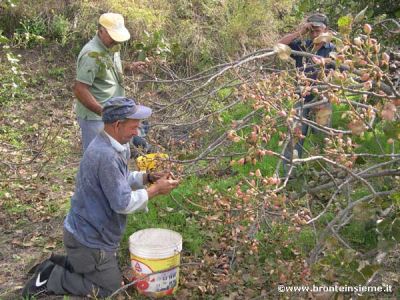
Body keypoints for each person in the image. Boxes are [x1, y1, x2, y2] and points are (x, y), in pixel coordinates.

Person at [22, 97, 180, 299]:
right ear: (116, 125)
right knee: (110, 290)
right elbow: (123, 203)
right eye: (133, 127)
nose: (137, 132)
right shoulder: (106, 156)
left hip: (85, 235)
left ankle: (64, 263)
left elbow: (119, 180)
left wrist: (147, 177)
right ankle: (51, 276)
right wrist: (156, 189)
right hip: (89, 240)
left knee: (98, 272)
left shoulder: (112, 145)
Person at [74, 12, 147, 151]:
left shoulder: (111, 48)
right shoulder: (91, 55)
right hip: (95, 118)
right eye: (113, 36)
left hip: (112, 114)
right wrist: (103, 112)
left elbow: (106, 71)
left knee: (115, 154)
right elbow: (80, 89)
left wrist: (129, 67)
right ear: (101, 31)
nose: (116, 40)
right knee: (97, 156)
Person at [278, 13, 335, 172]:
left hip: (322, 99)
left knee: (325, 140)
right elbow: (278, 46)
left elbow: (343, 68)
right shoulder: (301, 46)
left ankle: (326, 175)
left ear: (326, 30)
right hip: (300, 99)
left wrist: (326, 63)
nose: (315, 33)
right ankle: (290, 177)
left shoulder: (332, 49)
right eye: (312, 30)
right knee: (294, 140)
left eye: (318, 30)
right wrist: (300, 32)